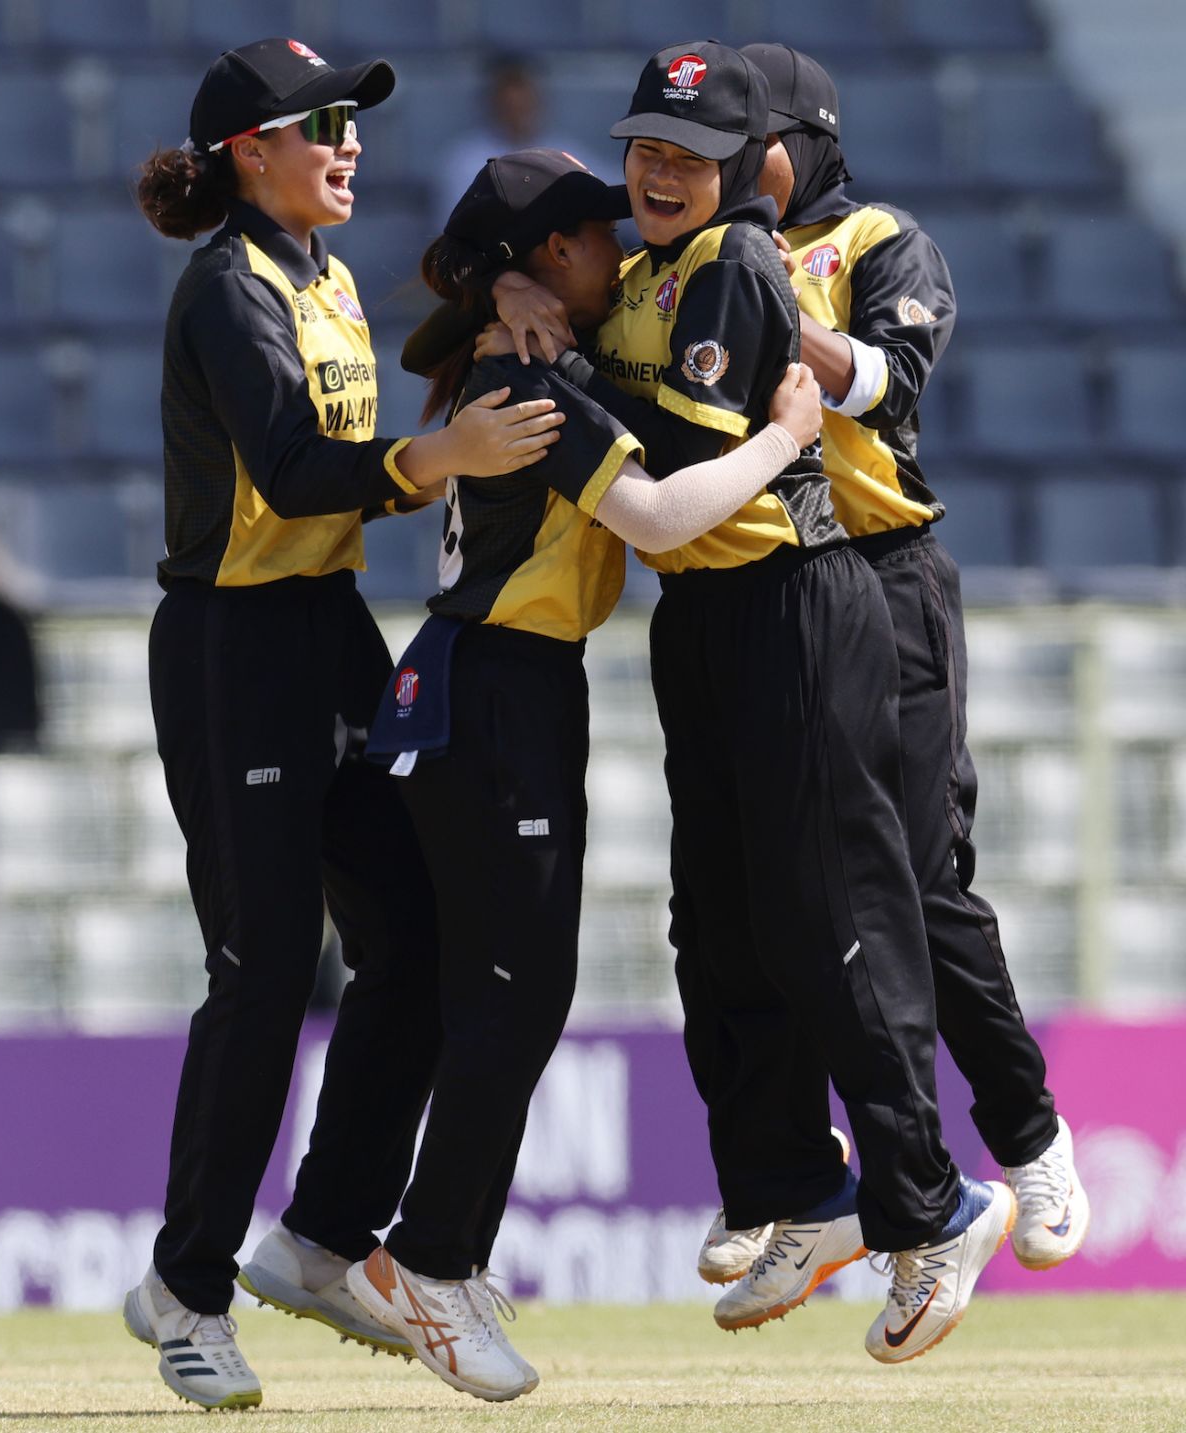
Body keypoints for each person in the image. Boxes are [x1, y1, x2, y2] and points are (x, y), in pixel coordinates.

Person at [475, 40, 1016, 1364]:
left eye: (687, 155)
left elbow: (681, 459)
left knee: (835, 913)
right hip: (707, 622)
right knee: (715, 923)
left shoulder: (737, 265)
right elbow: (500, 263)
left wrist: (565, 375)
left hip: (795, 601)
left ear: (743, 169)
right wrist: (506, 282)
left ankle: (931, 1203)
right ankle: (794, 1185)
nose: (655, 175)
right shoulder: (651, 265)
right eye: (642, 150)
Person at [120, 38, 567, 1412]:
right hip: (230, 645)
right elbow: (298, 467)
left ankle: (321, 1238)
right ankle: (188, 1290)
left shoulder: (319, 269)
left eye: (353, 124)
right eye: (322, 126)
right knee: (260, 972)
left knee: (422, 930)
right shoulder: (226, 289)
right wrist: (440, 458)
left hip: (324, 636)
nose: (348, 144)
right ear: (251, 151)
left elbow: (447, 286)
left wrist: (496, 274)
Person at [343, 146, 823, 1405]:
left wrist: (500, 297)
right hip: (492, 685)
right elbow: (662, 521)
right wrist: (781, 439)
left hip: (486, 681)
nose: (622, 250)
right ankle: (432, 1264)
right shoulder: (535, 381)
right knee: (514, 995)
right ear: (551, 254)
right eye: (594, 235)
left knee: (495, 994)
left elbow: (437, 340)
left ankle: (423, 1249)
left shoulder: (520, 348)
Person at [690, 42, 1087, 1296]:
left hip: (886, 573)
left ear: (797, 138)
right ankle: (809, 1188)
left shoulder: (877, 238)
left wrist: (761, 307)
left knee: (915, 876)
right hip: (768, 582)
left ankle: (1024, 1134)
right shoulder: (694, 242)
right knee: (775, 890)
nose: (718, 161)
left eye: (742, 138)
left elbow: (883, 376)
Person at [434, 52, 609, 227]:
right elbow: (456, 228)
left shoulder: (567, 153)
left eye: (524, 103)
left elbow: (608, 198)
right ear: (493, 102)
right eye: (509, 105)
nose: (517, 112)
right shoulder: (464, 160)